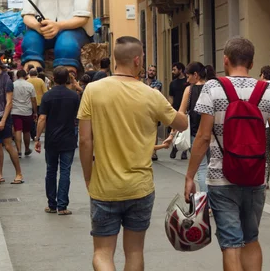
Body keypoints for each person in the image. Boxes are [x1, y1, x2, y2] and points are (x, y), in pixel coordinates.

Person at [186, 37, 270, 270]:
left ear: (225, 60)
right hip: (255, 177)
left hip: (220, 178)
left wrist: (190, 176)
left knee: (230, 243)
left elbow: (203, 137)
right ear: (252, 61)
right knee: (251, 238)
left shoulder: (213, 88)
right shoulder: (267, 90)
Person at [78, 36, 188, 271]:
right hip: (140, 186)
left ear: (116, 59)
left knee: (102, 252)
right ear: (137, 60)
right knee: (135, 251)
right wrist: (186, 99)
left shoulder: (93, 91)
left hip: (104, 186)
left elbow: (85, 140)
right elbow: (181, 124)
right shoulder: (151, 94)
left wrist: (88, 176)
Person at [34, 67, 80, 215]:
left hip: (52, 139)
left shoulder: (48, 96)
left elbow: (42, 118)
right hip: (68, 138)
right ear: (67, 78)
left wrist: (37, 138)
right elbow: (78, 117)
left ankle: (52, 204)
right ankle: (63, 206)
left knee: (51, 170)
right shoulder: (74, 96)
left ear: (53, 78)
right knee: (65, 171)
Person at [172, 62, 210, 192]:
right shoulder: (213, 88)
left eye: (188, 77)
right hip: (214, 135)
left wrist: (173, 133)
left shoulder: (189, 90)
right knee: (214, 168)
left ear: (196, 75)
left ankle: (206, 202)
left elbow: (181, 113)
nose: (187, 80)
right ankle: (213, 202)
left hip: (196, 134)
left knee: (202, 168)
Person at [12, 69, 38, 157]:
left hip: (15, 111)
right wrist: (35, 112)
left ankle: (18, 150)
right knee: (26, 131)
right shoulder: (30, 85)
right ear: (26, 76)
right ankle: (27, 149)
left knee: (17, 130)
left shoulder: (13, 85)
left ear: (17, 76)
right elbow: (33, 100)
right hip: (27, 111)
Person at [169, 62, 189, 160]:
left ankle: (184, 150)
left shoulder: (187, 82)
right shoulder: (172, 83)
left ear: (180, 70)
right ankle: (175, 147)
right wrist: (170, 107)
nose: (173, 72)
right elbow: (171, 97)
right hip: (176, 109)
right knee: (175, 129)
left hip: (187, 109)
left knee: (185, 130)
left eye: (174, 69)